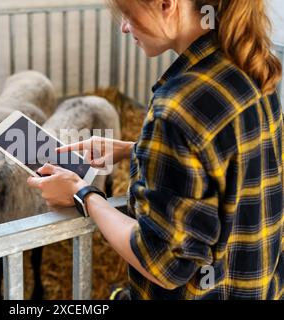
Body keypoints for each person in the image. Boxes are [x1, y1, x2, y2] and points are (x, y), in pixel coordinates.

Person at [27, 0, 284, 300]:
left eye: (127, 14)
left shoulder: (178, 107)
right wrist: (134, 150)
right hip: (254, 285)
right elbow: (224, 163)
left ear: (166, 4)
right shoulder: (248, 62)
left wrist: (82, 194)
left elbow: (164, 264)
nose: (124, 27)